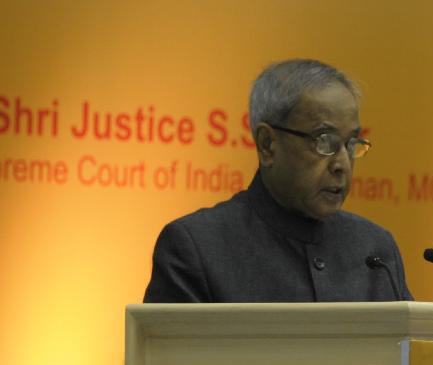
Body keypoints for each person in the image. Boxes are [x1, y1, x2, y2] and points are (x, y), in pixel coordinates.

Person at [143, 59, 411, 303]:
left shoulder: (374, 249)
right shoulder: (198, 248)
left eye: (351, 143)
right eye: (324, 141)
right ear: (268, 144)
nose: (342, 164)